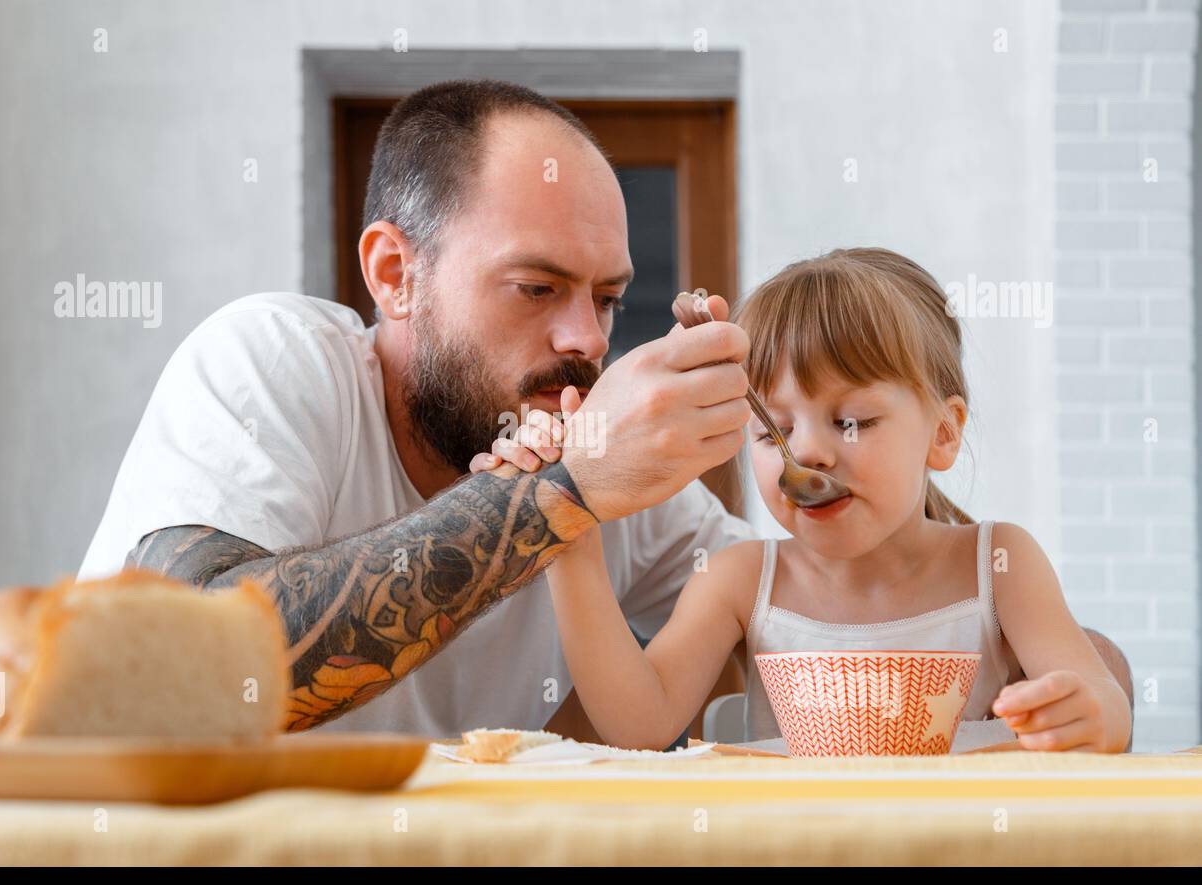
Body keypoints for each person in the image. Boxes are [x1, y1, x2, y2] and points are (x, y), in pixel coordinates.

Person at [77, 79, 759, 737]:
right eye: (536, 288)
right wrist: (565, 493)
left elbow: (803, 615)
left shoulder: (599, 455)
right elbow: (178, 672)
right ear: (395, 275)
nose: (588, 337)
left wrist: (827, 433)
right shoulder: (277, 360)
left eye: (606, 298)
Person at [475, 249, 1134, 752]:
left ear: (942, 432)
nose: (811, 452)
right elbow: (638, 726)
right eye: (773, 431)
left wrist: (1090, 716)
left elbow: (1105, 704)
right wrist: (569, 539)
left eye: (852, 422)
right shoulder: (740, 580)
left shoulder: (1000, 562)